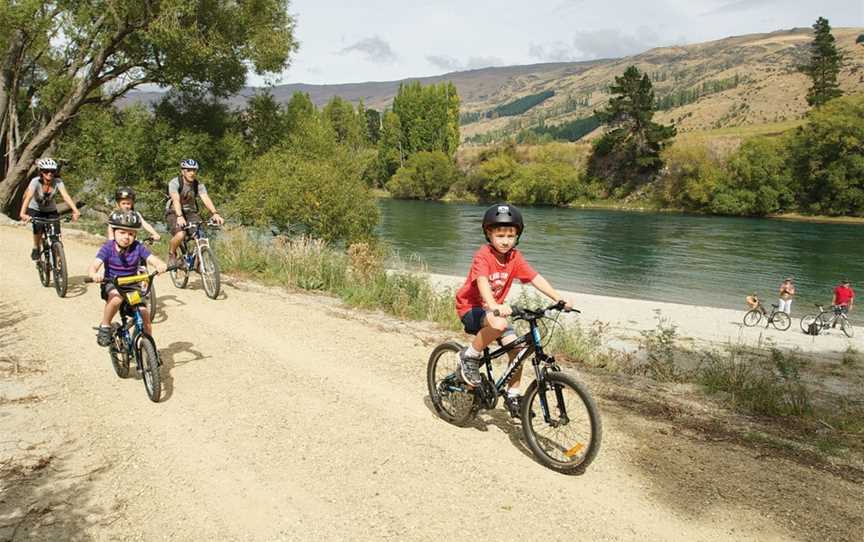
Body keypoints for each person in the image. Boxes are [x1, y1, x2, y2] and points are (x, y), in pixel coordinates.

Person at [454, 203, 572, 418]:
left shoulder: (514, 258)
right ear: (489, 234)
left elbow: (535, 277)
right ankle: (469, 356)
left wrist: (558, 298)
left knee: (518, 351)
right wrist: (492, 304)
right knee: (499, 324)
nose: (506, 241)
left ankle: (513, 394)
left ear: (517, 235)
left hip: (494, 311)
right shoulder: (484, 255)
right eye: (500, 235)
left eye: (511, 235)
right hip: (472, 308)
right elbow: (481, 281)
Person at [88, 210, 167, 347]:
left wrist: (160, 264)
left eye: (131, 234)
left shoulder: (137, 247)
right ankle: (105, 325)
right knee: (117, 298)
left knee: (144, 314)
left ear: (135, 235)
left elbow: (151, 259)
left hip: (132, 286)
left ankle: (149, 347)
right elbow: (93, 266)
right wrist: (95, 274)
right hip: (113, 284)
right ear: (113, 232)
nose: (126, 237)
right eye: (122, 233)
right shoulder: (108, 247)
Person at [164, 159, 224, 266]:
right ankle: (172, 253)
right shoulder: (175, 182)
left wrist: (215, 213)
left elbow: (205, 198)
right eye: (189, 170)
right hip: (174, 211)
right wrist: (179, 216)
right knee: (180, 234)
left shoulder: (198, 185)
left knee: (201, 236)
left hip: (190, 212)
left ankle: (198, 262)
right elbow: (176, 200)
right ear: (183, 171)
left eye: (194, 170)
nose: (192, 173)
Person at [18, 158, 80, 259]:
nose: (49, 173)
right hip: (35, 209)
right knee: (38, 228)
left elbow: (66, 196)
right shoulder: (35, 182)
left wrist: (75, 211)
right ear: (41, 172)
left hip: (51, 210)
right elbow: (28, 197)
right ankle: (36, 247)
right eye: (46, 171)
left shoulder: (58, 182)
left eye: (52, 171)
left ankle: (59, 257)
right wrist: (22, 214)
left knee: (56, 234)